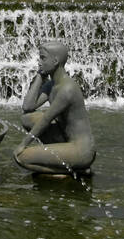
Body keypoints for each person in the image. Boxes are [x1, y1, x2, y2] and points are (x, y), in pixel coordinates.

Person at [14, 40, 95, 174]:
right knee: (26, 119)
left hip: (82, 150)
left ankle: (75, 170)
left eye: (43, 58)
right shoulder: (51, 85)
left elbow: (46, 119)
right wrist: (40, 75)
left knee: (21, 157)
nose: (39, 62)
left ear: (55, 61)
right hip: (67, 140)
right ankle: (65, 162)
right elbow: (28, 106)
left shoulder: (67, 89)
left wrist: (23, 145)